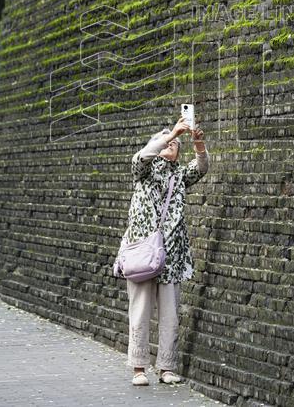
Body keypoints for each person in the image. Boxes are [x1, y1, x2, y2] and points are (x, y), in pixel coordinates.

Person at [119, 116, 209, 386]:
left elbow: (202, 167)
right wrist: (170, 134)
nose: (172, 144)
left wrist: (199, 144)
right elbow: (142, 156)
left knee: (170, 315)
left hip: (171, 256)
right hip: (143, 254)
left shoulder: (179, 176)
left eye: (175, 143)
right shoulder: (142, 170)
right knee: (141, 311)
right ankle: (139, 368)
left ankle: (166, 368)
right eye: (167, 141)